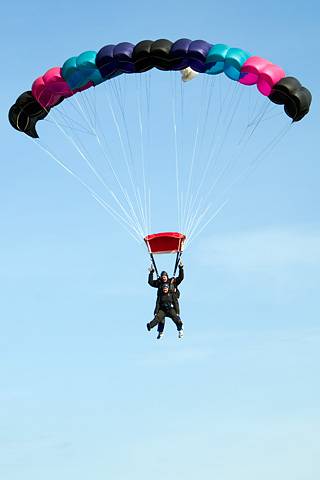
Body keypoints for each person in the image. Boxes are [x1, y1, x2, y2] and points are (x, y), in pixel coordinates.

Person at [147, 261, 184, 339]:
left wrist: (180, 268)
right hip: (162, 305)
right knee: (160, 319)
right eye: (162, 276)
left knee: (176, 318)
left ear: (167, 276)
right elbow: (150, 282)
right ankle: (157, 330)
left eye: (165, 276)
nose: (163, 278)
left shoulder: (172, 282)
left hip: (171, 304)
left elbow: (181, 278)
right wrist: (151, 272)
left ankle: (180, 329)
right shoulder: (159, 283)